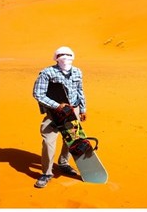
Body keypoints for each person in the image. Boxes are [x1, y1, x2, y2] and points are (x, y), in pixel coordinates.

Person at [32, 46, 88, 188]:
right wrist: (57, 105)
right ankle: (46, 173)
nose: (65, 58)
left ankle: (63, 163)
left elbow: (80, 90)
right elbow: (38, 94)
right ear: (56, 58)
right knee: (48, 141)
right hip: (54, 113)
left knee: (71, 140)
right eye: (62, 55)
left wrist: (83, 109)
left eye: (68, 55)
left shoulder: (77, 72)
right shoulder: (47, 73)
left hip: (73, 110)